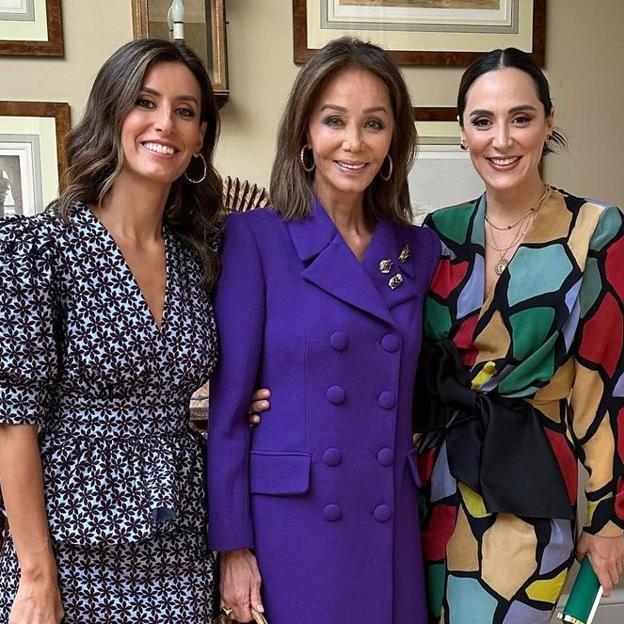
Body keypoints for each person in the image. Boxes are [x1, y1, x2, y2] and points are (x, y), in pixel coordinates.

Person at [207, 37, 440, 624]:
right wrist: (233, 548)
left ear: (394, 141)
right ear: (305, 134)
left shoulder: (419, 250)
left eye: (374, 124)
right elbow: (231, 408)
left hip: (389, 519)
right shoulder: (256, 239)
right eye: (334, 120)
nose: (354, 142)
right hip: (294, 525)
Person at [0, 38, 223, 623]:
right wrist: (36, 574)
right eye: (144, 102)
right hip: (69, 554)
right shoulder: (39, 249)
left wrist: (257, 402)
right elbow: (12, 424)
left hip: (181, 547)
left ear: (200, 137)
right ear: (112, 113)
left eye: (184, 110)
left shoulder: (200, 257)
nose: (164, 124)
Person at [415, 47, 624, 624]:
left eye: (521, 118)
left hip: (528, 491)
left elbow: (606, 387)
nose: (501, 139)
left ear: (549, 122)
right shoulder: (438, 234)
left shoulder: (595, 232)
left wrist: (610, 520)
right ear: (462, 131)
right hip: (435, 491)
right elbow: (403, 364)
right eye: (483, 121)